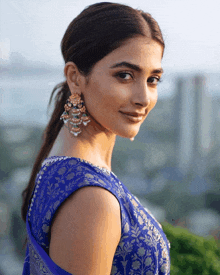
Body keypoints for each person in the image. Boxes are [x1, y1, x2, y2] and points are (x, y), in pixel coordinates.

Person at [21, 2, 170, 274]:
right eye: (124, 75)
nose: (143, 98)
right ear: (75, 78)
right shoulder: (91, 200)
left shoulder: (65, 163)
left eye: (153, 79)